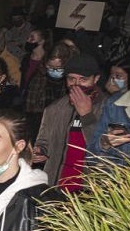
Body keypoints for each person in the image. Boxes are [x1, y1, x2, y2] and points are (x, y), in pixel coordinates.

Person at [33, 54, 107, 190]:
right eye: (71, 79)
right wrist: (39, 151)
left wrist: (87, 116)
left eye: (83, 79)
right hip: (55, 188)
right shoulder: (54, 109)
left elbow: (105, 149)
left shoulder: (109, 108)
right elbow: (44, 143)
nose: (77, 84)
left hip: (89, 193)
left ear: (96, 79)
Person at [23, 41, 78, 139]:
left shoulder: (73, 82)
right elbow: (29, 108)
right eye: (51, 67)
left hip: (63, 128)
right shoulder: (38, 78)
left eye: (59, 68)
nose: (54, 71)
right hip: (39, 126)